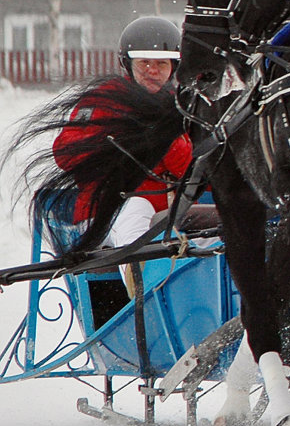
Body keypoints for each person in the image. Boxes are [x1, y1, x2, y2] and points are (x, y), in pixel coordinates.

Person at [52, 16, 192, 253]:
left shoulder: (182, 107)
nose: (152, 71)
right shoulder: (101, 99)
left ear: (173, 68)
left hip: (170, 213)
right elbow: (65, 153)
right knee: (136, 209)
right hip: (107, 209)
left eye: (161, 64)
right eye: (144, 62)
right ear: (128, 64)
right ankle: (141, 276)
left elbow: (191, 169)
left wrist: (163, 140)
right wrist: (118, 143)